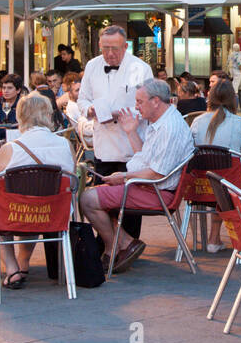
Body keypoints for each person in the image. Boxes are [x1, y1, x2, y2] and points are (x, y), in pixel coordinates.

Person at [79, 79, 195, 274]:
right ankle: (124, 242)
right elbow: (145, 158)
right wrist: (131, 131)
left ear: (156, 101)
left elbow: (156, 173)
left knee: (88, 199)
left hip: (158, 192)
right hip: (152, 187)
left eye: (140, 102)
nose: (136, 106)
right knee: (96, 193)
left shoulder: (169, 128)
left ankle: (115, 246)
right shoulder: (162, 121)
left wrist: (123, 177)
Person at [0, 93, 77, 288]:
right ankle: (23, 262)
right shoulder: (66, 145)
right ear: (48, 115)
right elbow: (72, 182)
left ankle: (12, 269)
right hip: (53, 214)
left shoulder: (11, 148)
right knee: (34, 201)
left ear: (20, 117)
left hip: (16, 214)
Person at [77, 25, 154, 241]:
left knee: (129, 200)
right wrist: (88, 109)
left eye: (115, 49)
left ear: (125, 46)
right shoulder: (92, 66)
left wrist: (120, 114)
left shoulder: (140, 68)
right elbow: (82, 98)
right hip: (103, 143)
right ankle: (110, 243)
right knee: (103, 196)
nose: (110, 54)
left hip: (130, 143)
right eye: (105, 48)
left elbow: (148, 105)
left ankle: (129, 243)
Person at [191, 80, 241, 253]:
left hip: (203, 187)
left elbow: (189, 153)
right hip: (233, 187)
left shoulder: (196, 122)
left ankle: (213, 239)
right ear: (234, 100)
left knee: (217, 184)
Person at [0, 75, 24, 142]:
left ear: (18, 90)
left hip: (19, 142)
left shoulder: (24, 104)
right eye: (4, 88)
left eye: (9, 88)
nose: (6, 91)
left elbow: (26, 129)